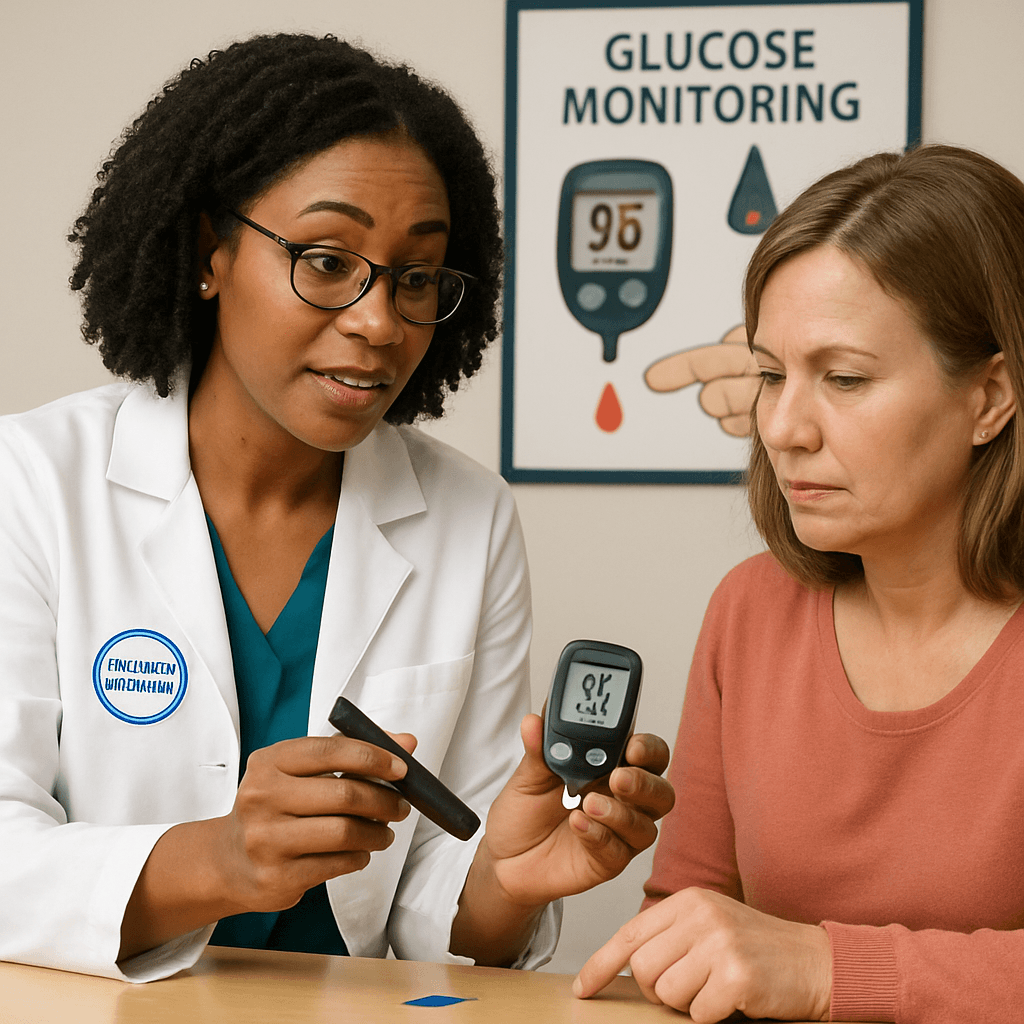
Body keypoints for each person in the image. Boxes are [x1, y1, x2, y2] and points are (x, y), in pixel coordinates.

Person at [0, 33, 674, 983]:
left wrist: (511, 881)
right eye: (325, 259)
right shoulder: (30, 482)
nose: (378, 321)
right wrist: (217, 859)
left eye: (415, 278)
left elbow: (437, 911)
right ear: (209, 252)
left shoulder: (468, 516)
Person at [574, 143, 1024, 1023]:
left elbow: (800, 964)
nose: (782, 428)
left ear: (991, 397)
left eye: (844, 379)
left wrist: (829, 967)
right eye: (773, 375)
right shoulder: (751, 610)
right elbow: (683, 927)